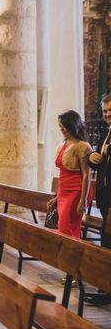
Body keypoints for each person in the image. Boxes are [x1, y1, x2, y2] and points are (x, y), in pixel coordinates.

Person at [47, 110, 92, 240]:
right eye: (60, 126)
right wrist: (57, 197)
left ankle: (72, 257)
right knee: (63, 227)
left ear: (73, 125)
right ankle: (68, 258)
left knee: (67, 229)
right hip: (64, 192)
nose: (61, 129)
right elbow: (63, 176)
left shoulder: (83, 146)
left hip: (77, 192)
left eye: (64, 126)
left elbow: (86, 175)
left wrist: (82, 200)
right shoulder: (63, 145)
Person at [85, 94, 111, 304]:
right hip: (105, 198)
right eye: (105, 111)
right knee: (106, 241)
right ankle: (105, 287)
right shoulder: (107, 133)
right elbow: (103, 161)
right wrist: (93, 159)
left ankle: (106, 288)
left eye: (110, 110)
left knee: (108, 240)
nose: (108, 115)